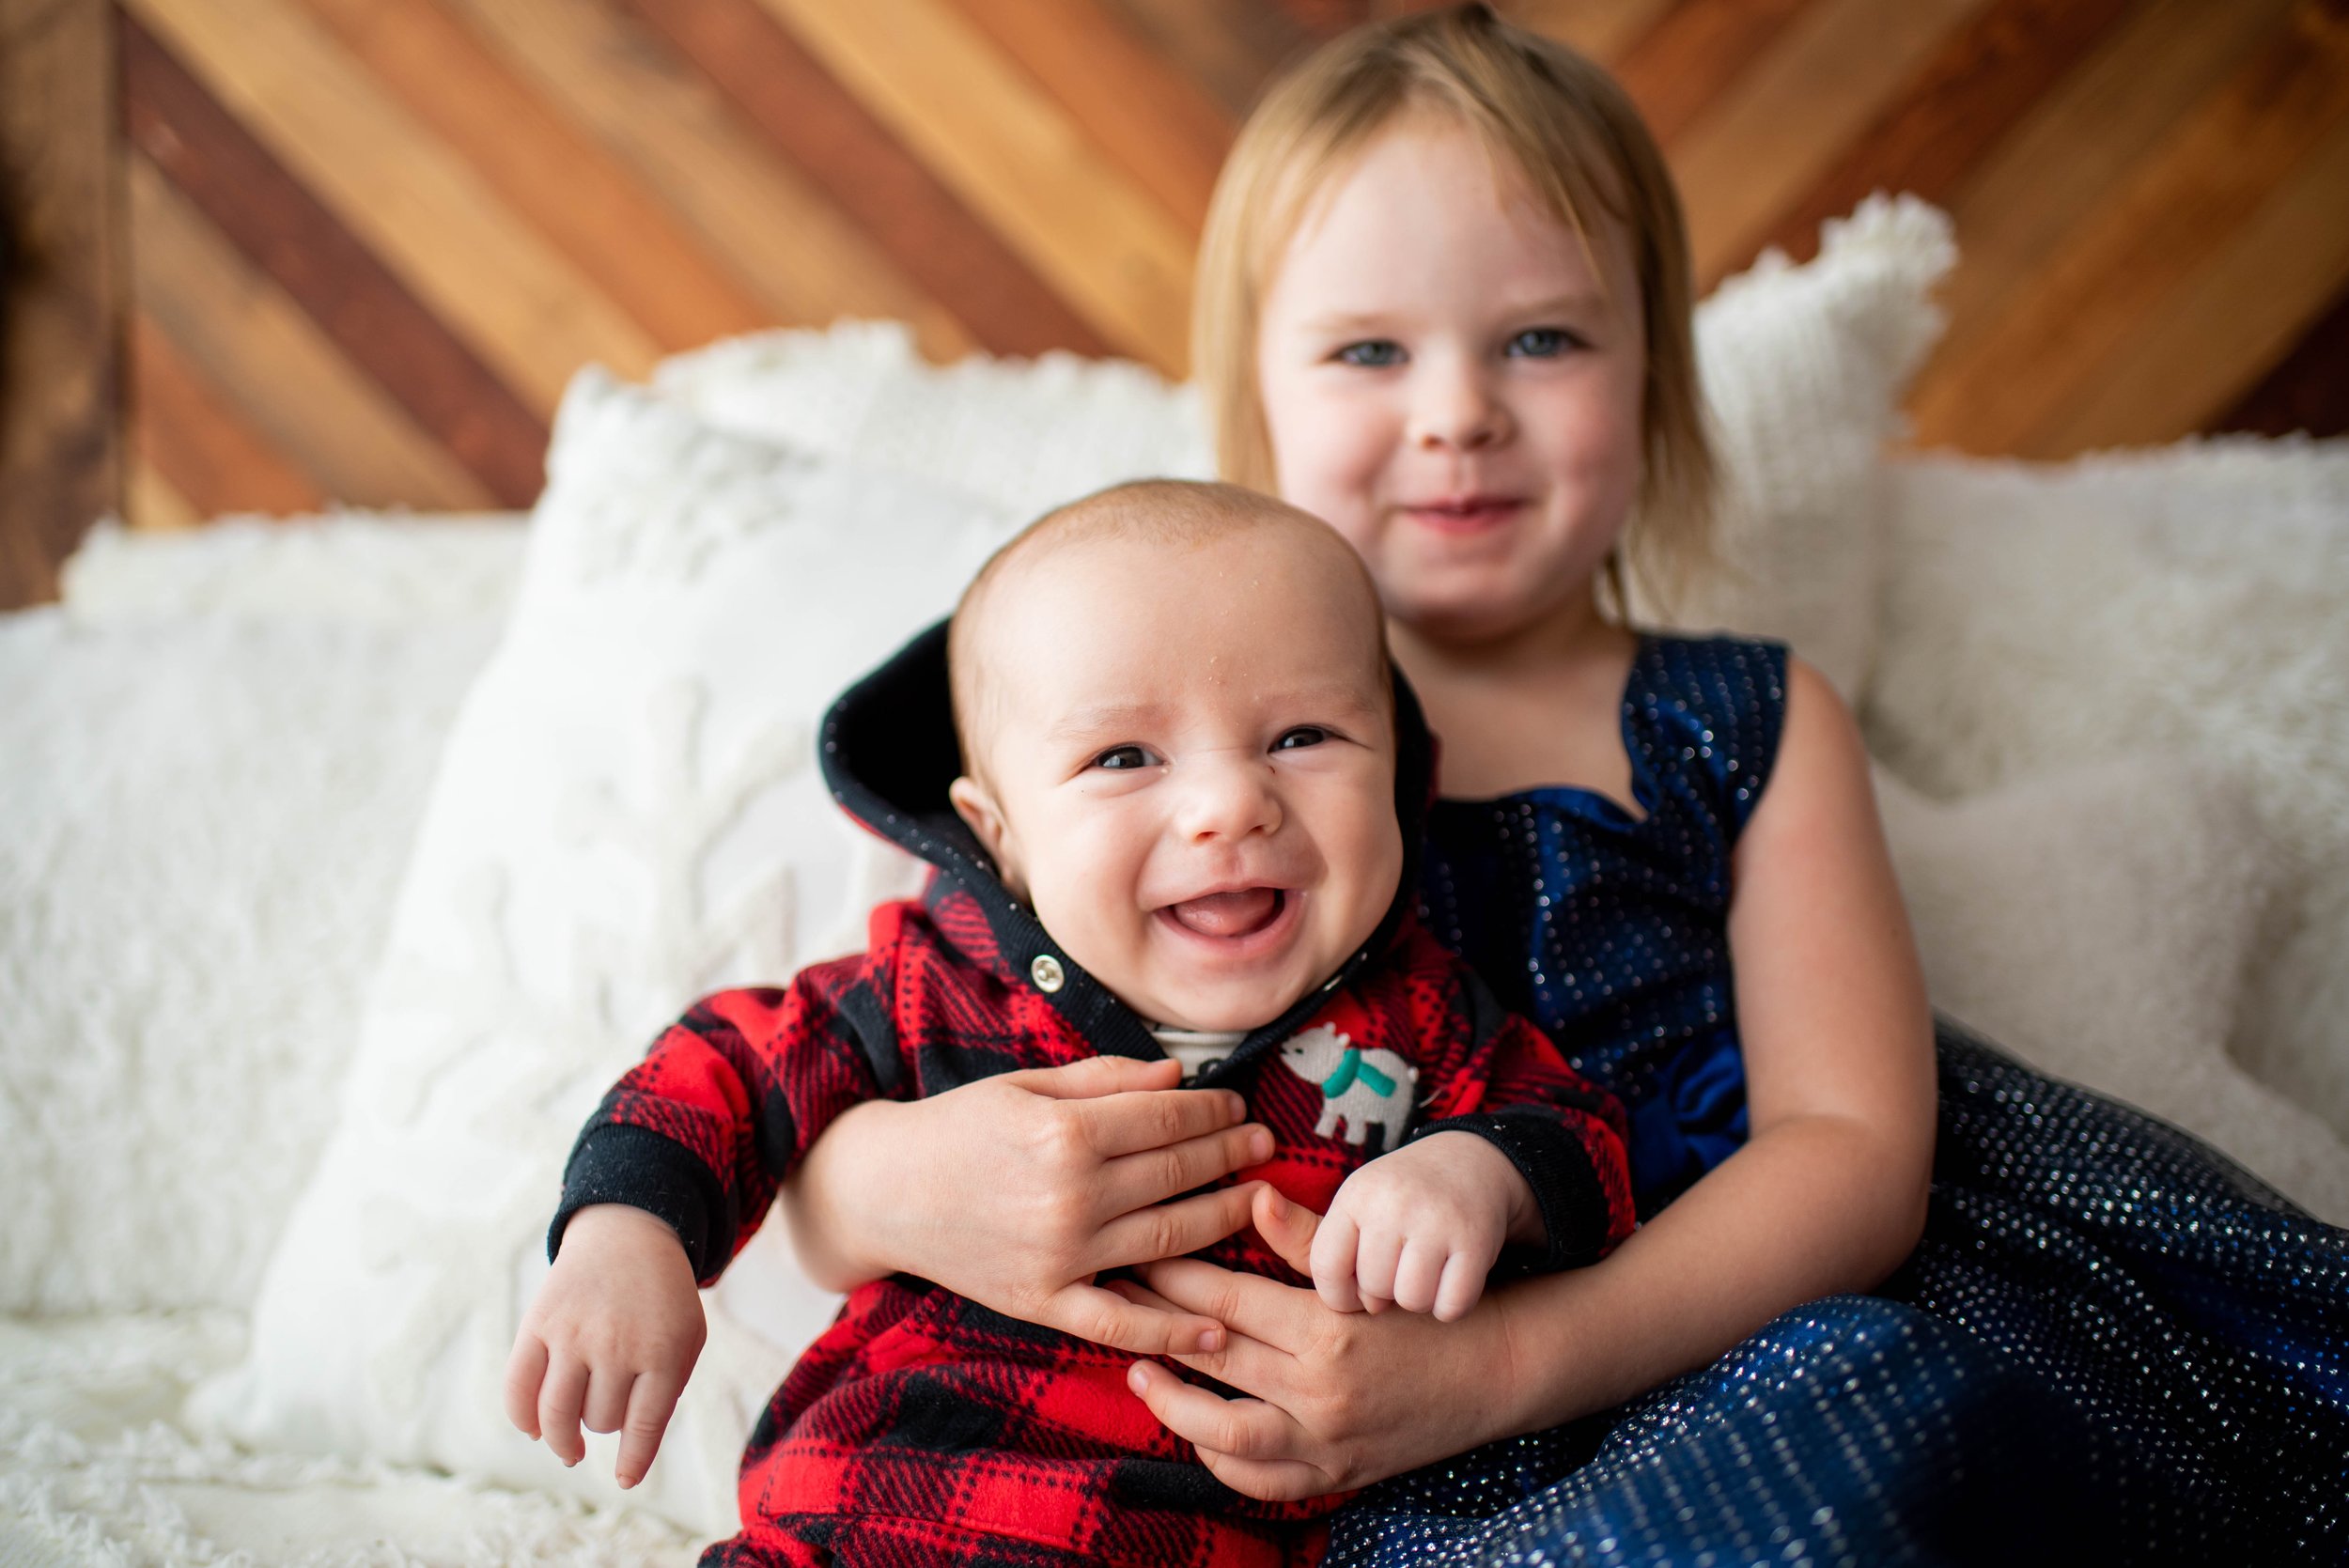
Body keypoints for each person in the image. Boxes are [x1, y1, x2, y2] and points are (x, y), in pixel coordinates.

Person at [777, 8, 2349, 1563]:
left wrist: (1497, 1371)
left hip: (1719, 1331)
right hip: (1313, 1445)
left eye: (1542, 339)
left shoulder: (1737, 718)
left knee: (1887, 1421)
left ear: (1654, 375)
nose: (1458, 411)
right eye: (1369, 350)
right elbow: (853, 1064)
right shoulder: (1096, 708)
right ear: (1257, 394)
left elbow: (1856, 1152)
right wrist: (892, 1185)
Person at [504, 479, 1638, 1567]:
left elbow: (1579, 1132)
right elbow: (728, 1064)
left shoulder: (1418, 1016)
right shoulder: (937, 983)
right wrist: (626, 1232)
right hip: (872, 1512)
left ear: (1395, 769)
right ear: (1001, 835)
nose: (1229, 804)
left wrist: (1478, 1174)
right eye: (1123, 757)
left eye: (1302, 736)